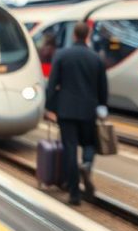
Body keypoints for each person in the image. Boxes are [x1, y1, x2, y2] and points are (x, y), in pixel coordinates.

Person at [45, 22, 108, 206]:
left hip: (66, 110)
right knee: (89, 143)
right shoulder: (96, 58)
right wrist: (102, 106)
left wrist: (50, 107)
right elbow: (102, 87)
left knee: (70, 150)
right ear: (88, 35)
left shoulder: (62, 55)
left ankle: (74, 194)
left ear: (74, 35)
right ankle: (86, 164)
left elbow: (52, 83)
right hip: (88, 110)